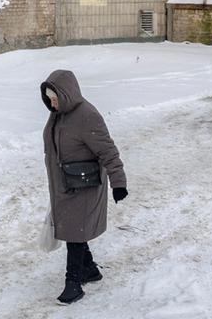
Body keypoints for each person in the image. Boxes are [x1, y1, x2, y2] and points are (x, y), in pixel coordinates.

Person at [40, 69, 128, 305]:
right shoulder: (58, 115)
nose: (52, 103)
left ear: (67, 94)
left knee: (75, 234)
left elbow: (108, 151)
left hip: (85, 185)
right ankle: (90, 270)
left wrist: (118, 183)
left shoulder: (87, 116)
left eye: (55, 98)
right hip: (65, 185)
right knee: (73, 230)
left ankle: (74, 284)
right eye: (49, 99)